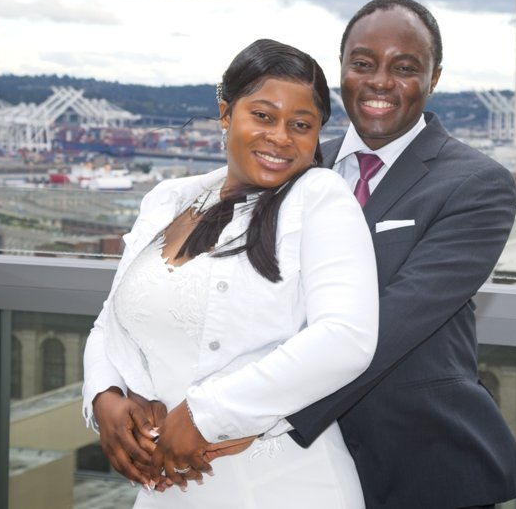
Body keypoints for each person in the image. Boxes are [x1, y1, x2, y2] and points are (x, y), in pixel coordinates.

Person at [81, 38, 378, 508]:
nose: (280, 136)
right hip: (166, 489)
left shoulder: (319, 197)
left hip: (280, 486)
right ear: (225, 112)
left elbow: (346, 338)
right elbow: (111, 319)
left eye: (300, 125)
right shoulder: (168, 200)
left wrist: (204, 415)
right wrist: (104, 395)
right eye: (262, 115)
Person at [285, 0, 516, 509]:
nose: (379, 81)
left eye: (404, 68)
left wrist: (254, 416)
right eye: (362, 64)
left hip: (424, 470)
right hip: (305, 473)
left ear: (434, 78)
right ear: (341, 71)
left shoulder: (476, 184)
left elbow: (387, 326)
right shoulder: (302, 170)